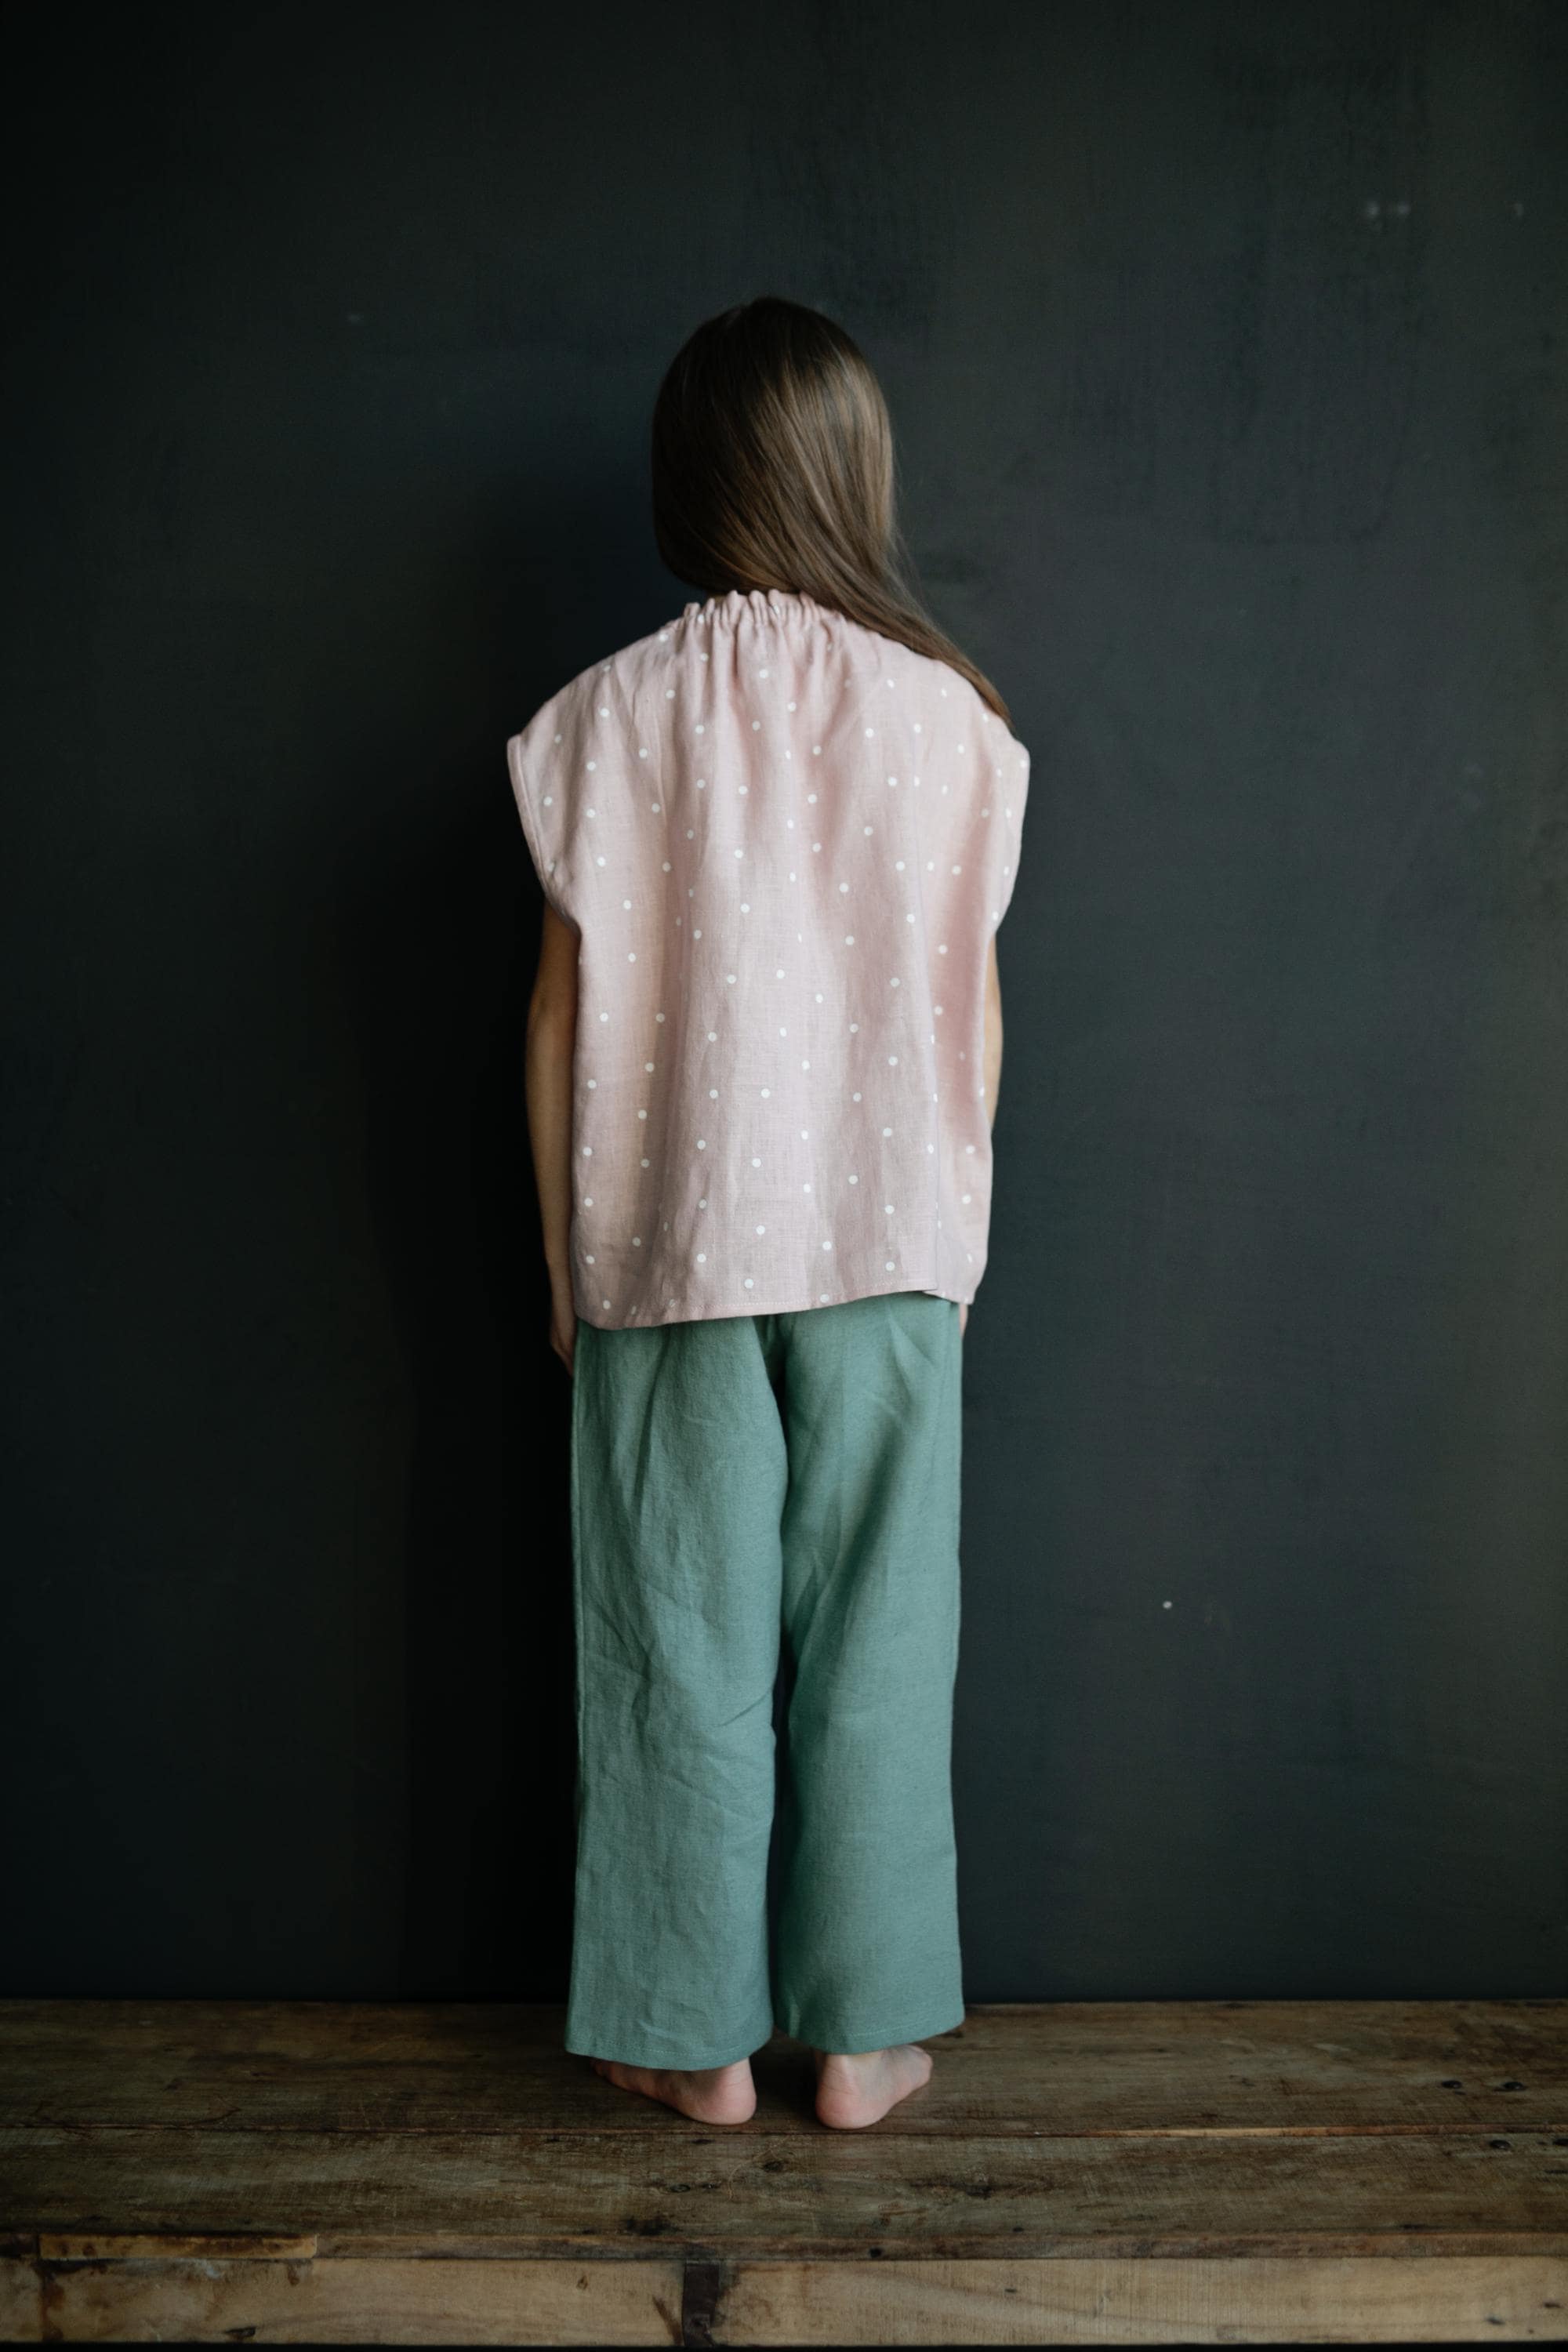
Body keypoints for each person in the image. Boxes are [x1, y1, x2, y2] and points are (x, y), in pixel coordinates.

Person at [507, 296, 1029, 2132]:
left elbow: (560, 1017)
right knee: (883, 1635)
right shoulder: (950, 720)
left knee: (675, 1637)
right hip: (889, 1244)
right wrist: (955, 1240)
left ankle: (689, 2037)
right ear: (851, 480)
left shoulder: (602, 719)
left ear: (687, 485)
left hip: (669, 1243)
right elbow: (971, 1016)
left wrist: (564, 1261)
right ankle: (865, 2041)